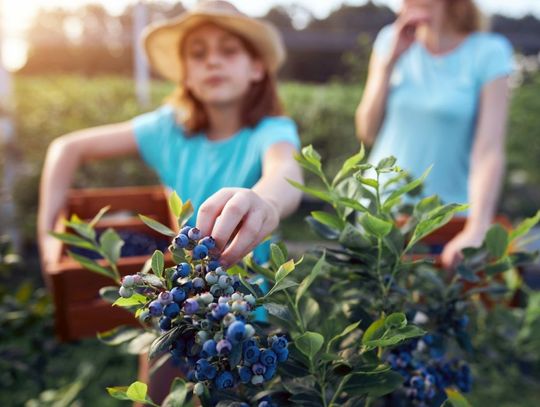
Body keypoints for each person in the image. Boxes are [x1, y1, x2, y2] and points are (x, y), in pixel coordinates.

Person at [37, 2, 303, 402]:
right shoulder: (167, 130)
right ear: (186, 76)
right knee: (158, 396)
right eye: (198, 54)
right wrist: (46, 237)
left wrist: (264, 201)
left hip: (244, 306)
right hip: (176, 301)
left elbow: (286, 173)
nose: (212, 61)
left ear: (257, 68)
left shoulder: (271, 130)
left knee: (232, 391)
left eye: (229, 50)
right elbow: (65, 148)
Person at [355, 0, 513, 269]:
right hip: (380, 215)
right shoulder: (389, 40)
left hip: (448, 223)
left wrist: (477, 228)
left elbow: (489, 149)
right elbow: (367, 131)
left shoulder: (489, 52)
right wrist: (388, 62)